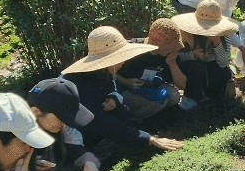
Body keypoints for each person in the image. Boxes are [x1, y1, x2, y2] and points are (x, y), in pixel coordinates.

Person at [62, 26, 184, 159]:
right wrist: (149, 139)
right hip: (75, 135)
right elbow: (104, 123)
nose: (124, 61)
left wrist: (113, 97)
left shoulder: (106, 71)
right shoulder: (79, 83)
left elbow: (112, 87)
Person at [26, 77, 103, 171]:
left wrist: (89, 162)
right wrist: (30, 167)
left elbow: (77, 149)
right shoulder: (11, 136)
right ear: (36, 112)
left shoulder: (62, 127)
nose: (66, 124)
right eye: (63, 118)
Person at [115, 18, 192, 120]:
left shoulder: (170, 54)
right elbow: (110, 72)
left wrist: (172, 63)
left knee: (174, 96)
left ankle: (153, 116)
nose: (173, 49)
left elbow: (181, 85)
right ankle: (132, 121)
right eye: (169, 46)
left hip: (151, 88)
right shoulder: (132, 50)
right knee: (156, 103)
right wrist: (126, 82)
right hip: (125, 90)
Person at [172, 0, 240, 104]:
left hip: (212, 68)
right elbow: (178, 57)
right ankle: (194, 97)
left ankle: (212, 97)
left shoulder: (223, 34)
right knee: (196, 68)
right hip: (192, 67)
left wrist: (216, 42)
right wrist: (193, 54)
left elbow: (224, 62)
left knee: (223, 71)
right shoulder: (186, 33)